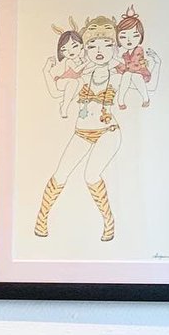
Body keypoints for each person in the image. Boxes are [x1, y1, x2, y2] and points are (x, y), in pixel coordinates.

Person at [33, 14, 126, 242]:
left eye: (107, 44)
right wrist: (47, 72)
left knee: (91, 175)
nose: (99, 50)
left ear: (115, 46)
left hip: (108, 131)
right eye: (92, 45)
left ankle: (109, 222)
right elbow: (56, 92)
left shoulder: (120, 73)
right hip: (82, 132)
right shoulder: (81, 73)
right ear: (85, 49)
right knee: (60, 174)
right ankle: (41, 220)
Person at [113, 6, 161, 109]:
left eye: (135, 36)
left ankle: (144, 99)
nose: (129, 40)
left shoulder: (139, 50)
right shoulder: (125, 54)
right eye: (123, 37)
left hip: (141, 73)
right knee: (127, 75)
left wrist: (118, 61)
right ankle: (121, 101)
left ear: (140, 37)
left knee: (133, 76)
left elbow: (135, 65)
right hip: (130, 74)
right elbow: (123, 67)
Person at [42, 22, 86, 118]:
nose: (70, 51)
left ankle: (64, 103)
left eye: (74, 46)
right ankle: (64, 107)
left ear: (81, 45)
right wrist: (87, 63)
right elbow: (76, 70)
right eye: (64, 49)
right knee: (74, 82)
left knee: (80, 81)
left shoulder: (82, 59)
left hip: (72, 83)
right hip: (62, 82)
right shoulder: (69, 61)